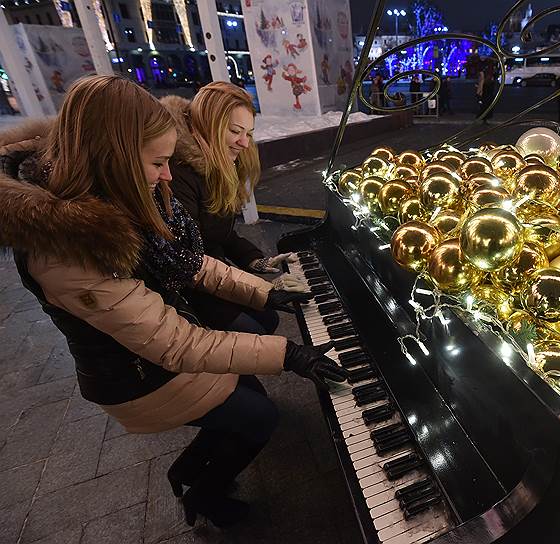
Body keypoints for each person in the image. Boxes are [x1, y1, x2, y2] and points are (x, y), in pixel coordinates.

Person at [0, 75, 347, 528]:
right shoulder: (67, 250)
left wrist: (265, 290)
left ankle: (185, 471)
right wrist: (291, 354)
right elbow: (175, 344)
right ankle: (205, 498)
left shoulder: (123, 192)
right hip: (136, 377)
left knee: (248, 394)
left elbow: (192, 262)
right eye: (158, 162)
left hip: (159, 348)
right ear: (115, 158)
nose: (168, 174)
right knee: (259, 416)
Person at [161, 83, 307, 335]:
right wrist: (259, 288)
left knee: (267, 320)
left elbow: (220, 232)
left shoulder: (220, 160)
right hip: (188, 285)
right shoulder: (177, 172)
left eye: (248, 133)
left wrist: (256, 261)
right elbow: (189, 261)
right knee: (256, 327)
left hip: (212, 272)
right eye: (235, 131)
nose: (244, 143)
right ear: (209, 126)